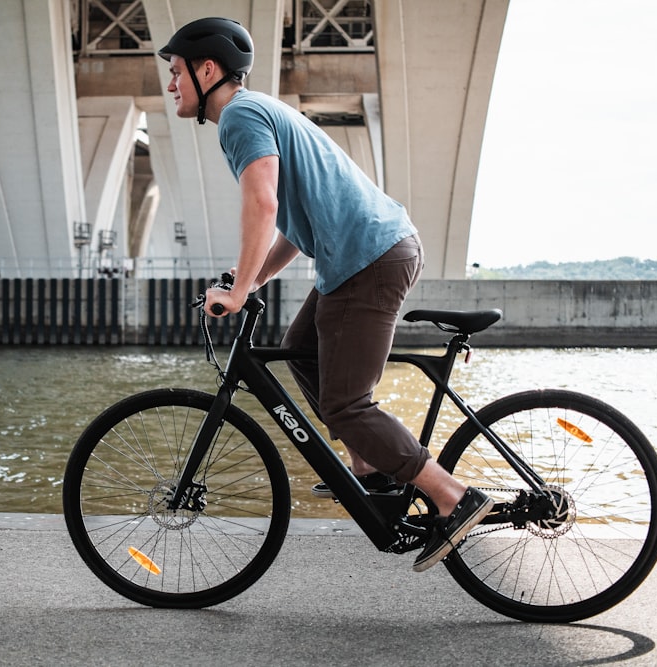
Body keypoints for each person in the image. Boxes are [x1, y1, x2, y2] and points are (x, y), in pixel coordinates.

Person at [158, 17, 493, 572]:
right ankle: (370, 469)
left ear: (207, 69)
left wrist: (238, 290)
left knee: (345, 403)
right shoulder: (259, 112)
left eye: (176, 73)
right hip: (362, 256)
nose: (171, 85)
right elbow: (292, 222)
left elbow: (262, 205)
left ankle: (452, 497)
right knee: (302, 352)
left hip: (370, 257)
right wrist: (255, 280)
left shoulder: (239, 117)